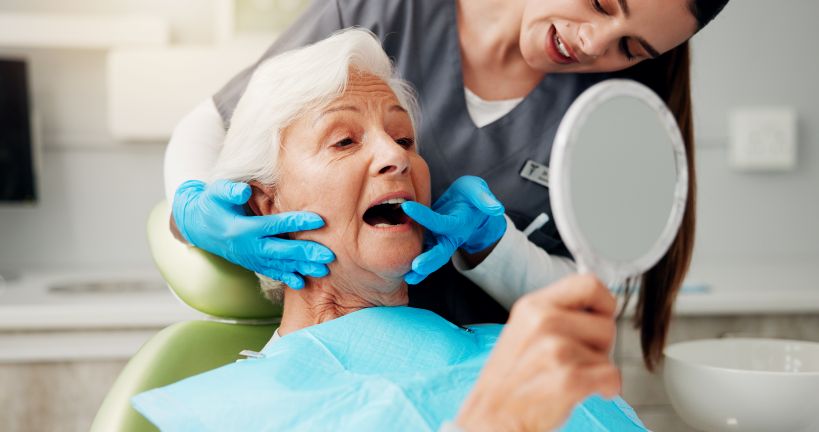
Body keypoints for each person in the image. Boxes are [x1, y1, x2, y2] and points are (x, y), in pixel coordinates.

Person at [166, 0, 731, 370]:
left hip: (488, 377)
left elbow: (588, 303)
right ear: (269, 197)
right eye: (603, 3)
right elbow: (211, 126)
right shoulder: (391, 10)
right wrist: (191, 207)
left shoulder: (612, 113)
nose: (595, 42)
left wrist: (495, 245)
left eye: (630, 47)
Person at [134, 29, 641, 431]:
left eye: (403, 137)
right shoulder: (242, 410)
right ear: (268, 201)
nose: (396, 156)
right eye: (344, 141)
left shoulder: (519, 350)